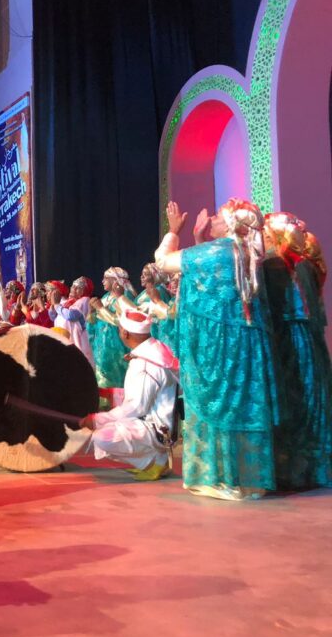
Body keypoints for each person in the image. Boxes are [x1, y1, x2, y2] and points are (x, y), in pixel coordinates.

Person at [153, 199, 279, 500]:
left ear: (232, 224)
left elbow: (163, 262)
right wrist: (199, 239)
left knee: (215, 402)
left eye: (219, 216)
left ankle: (220, 478)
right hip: (245, 345)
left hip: (217, 348)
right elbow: (209, 283)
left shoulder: (218, 251)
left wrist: (174, 231)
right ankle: (248, 478)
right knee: (241, 404)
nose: (212, 219)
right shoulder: (247, 253)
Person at [262, 212, 332, 490]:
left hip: (290, 338)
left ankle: (294, 469)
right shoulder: (301, 262)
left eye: (266, 233)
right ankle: (308, 468)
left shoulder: (279, 263)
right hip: (303, 338)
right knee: (308, 395)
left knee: (296, 397)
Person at [80, 309, 180, 480]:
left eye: (119, 329)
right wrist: (108, 393)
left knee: (103, 437)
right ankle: (157, 460)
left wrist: (97, 420)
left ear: (125, 333)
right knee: (109, 427)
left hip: (156, 430)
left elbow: (136, 407)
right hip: (161, 423)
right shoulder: (156, 349)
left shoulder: (145, 364)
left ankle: (154, 463)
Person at [88, 267, 136, 391]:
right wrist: (91, 312)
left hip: (117, 349)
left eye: (106, 278)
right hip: (102, 350)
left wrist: (101, 309)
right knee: (101, 385)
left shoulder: (125, 297)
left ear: (115, 280)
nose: (102, 281)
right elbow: (94, 323)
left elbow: (122, 322)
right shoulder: (105, 297)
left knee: (116, 384)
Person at [54, 276, 94, 366]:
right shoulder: (69, 301)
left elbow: (71, 315)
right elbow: (53, 317)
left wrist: (56, 305)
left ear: (84, 291)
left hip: (79, 340)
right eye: (73, 286)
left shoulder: (85, 300)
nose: (73, 289)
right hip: (67, 340)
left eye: (78, 288)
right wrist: (53, 306)